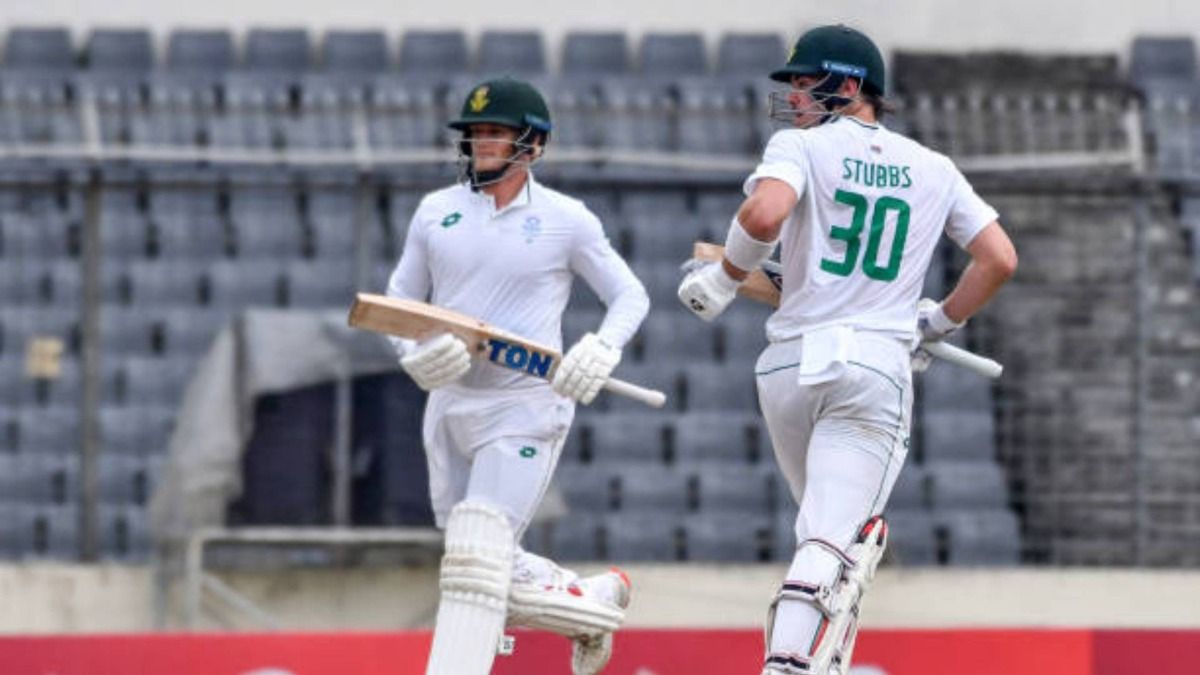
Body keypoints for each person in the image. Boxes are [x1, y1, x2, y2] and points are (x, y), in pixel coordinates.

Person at [677, 24, 1018, 675]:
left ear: (851, 85)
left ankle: (819, 658)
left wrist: (723, 280)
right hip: (871, 368)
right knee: (831, 537)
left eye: (808, 82)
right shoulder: (934, 167)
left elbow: (759, 219)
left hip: (786, 367)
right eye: (795, 84)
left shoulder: (801, 147)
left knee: (829, 537)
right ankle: (787, 663)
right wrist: (939, 322)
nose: (797, 95)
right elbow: (999, 258)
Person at [385, 76, 649, 675]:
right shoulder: (436, 212)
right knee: (475, 564)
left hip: (526, 403)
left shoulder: (566, 220)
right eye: (475, 134)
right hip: (450, 403)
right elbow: (398, 302)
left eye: (495, 133)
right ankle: (589, 602)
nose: (481, 144)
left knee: (479, 557)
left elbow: (629, 296)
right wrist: (412, 354)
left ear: (531, 144)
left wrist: (602, 349)